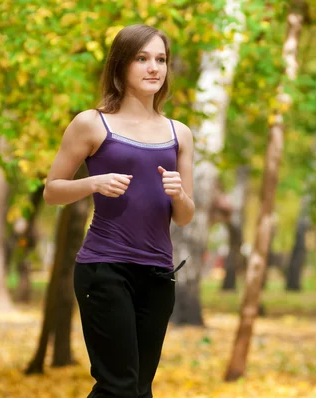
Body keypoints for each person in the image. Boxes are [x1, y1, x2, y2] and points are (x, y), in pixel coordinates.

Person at [43, 24, 194, 398]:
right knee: (119, 386)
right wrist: (93, 184)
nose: (153, 67)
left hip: (159, 273)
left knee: (140, 388)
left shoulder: (180, 133)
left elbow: (185, 216)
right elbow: (51, 191)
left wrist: (178, 194)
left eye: (160, 59)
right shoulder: (92, 123)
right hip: (104, 269)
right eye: (142, 58)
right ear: (120, 65)